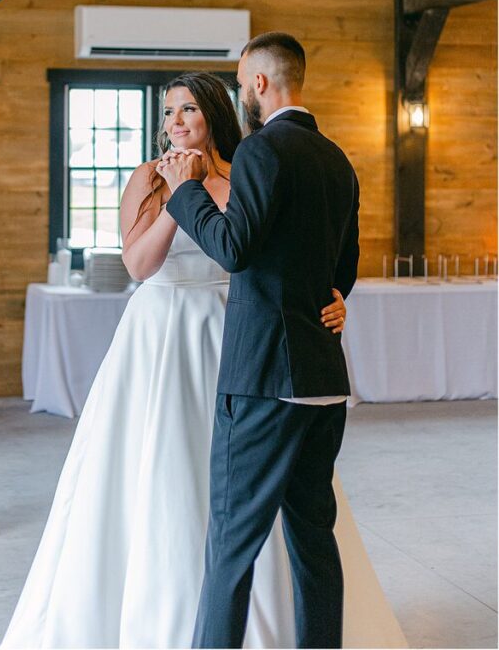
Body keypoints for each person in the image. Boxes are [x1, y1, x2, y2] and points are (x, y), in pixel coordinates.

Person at [0, 68, 407, 650]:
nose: (175, 123)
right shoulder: (148, 177)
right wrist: (176, 194)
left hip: (239, 332)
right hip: (163, 338)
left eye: (187, 110)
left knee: (266, 492)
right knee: (167, 466)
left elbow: (288, 252)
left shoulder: (251, 170)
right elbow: (139, 267)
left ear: (214, 113)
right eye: (168, 113)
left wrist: (335, 294)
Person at [158, 33, 360, 648]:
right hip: (322, 382)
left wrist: (184, 191)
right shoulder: (336, 159)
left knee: (231, 545)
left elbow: (232, 248)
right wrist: (330, 303)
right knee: (314, 546)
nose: (242, 93)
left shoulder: (260, 151)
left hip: (265, 380)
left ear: (261, 84)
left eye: (243, 82)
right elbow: (343, 269)